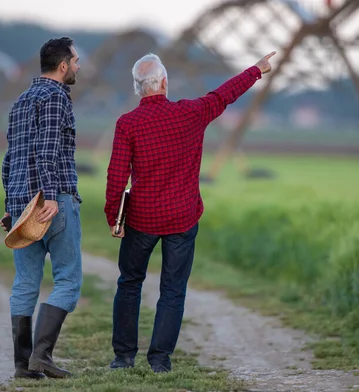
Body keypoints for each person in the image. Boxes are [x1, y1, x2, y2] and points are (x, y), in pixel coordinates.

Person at [103, 51, 276, 373]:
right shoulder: (191, 113)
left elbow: (116, 174)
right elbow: (223, 95)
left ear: (138, 88)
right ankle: (160, 361)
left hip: (141, 219)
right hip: (182, 218)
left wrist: (115, 217)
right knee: (173, 290)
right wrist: (257, 70)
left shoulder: (127, 124)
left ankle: (123, 358)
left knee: (129, 284)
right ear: (165, 82)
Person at [0, 36, 83, 379]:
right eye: (75, 61)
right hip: (54, 201)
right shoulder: (55, 98)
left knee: (25, 282)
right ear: (63, 66)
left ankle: (23, 365)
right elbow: (46, 151)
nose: (78, 66)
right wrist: (50, 196)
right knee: (68, 280)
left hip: (21, 203)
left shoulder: (20, 102)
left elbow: (10, 160)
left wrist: (10, 205)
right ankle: (42, 356)